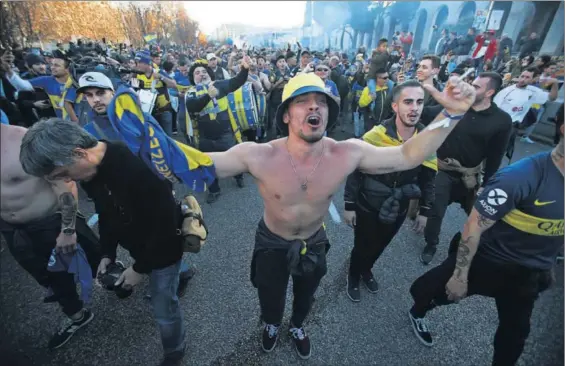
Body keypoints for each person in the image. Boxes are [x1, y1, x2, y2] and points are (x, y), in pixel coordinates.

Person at [206, 72, 476, 359]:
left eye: (320, 102)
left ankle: (297, 325)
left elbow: (407, 156)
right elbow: (204, 164)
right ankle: (272, 323)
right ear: (285, 115)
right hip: (272, 242)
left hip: (314, 242)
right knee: (270, 295)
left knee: (306, 294)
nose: (314, 107)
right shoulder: (258, 155)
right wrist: (152, 140)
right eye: (302, 101)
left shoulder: (346, 153)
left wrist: (452, 113)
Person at [19, 119, 188, 366]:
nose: (68, 181)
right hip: (141, 246)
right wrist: (107, 253)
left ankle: (175, 350)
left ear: (78, 153)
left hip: (165, 247)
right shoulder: (90, 171)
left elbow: (164, 227)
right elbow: (106, 212)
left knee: (164, 305)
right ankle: (183, 272)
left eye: (63, 174)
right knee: (165, 279)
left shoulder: (138, 162)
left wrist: (138, 270)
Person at [408, 124, 563, 366]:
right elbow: (474, 226)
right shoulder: (520, 177)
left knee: (515, 335)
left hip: (529, 274)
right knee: (439, 292)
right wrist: (460, 276)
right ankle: (418, 311)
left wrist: (551, 258)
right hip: (489, 260)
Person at [0, 123, 101, 349]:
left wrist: (68, 230)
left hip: (51, 220)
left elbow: (65, 184)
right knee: (49, 276)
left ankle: (117, 276)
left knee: (96, 258)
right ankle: (77, 315)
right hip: (14, 230)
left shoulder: (23, 141)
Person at [343, 80, 437, 302]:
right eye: (408, 102)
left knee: (382, 243)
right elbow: (356, 172)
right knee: (362, 245)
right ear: (395, 106)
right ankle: (354, 275)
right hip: (368, 203)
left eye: (419, 102)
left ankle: (367, 270)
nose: (414, 108)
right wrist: (348, 205)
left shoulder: (426, 140)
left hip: (399, 206)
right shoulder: (376, 135)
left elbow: (428, 178)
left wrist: (425, 211)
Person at [418, 72, 513, 264]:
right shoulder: (458, 106)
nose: (471, 88)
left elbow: (495, 156)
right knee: (436, 210)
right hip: (443, 170)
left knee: (479, 216)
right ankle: (431, 244)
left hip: (470, 175)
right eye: (472, 84)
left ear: (490, 92)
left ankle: (476, 249)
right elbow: (427, 112)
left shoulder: (502, 120)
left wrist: (487, 185)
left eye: (477, 87)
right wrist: (416, 98)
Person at [185, 57, 250, 203]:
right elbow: (192, 106)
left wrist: (245, 69)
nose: (201, 74)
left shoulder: (219, 84)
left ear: (209, 73)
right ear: (192, 78)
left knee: (234, 159)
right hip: (205, 137)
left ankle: (238, 176)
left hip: (225, 134)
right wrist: (208, 96)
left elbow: (237, 82)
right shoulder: (191, 92)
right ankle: (214, 190)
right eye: (197, 72)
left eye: (204, 71)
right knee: (207, 164)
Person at [2, 49, 80, 122]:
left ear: (67, 69)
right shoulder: (46, 80)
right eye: (51, 64)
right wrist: (9, 71)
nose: (52, 67)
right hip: (60, 125)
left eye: (57, 65)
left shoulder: (77, 82)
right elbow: (22, 85)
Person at [131, 51, 177, 137]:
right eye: (136, 63)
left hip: (164, 110)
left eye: (139, 63)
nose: (137, 65)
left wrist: (161, 77)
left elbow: (174, 85)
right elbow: (133, 91)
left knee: (168, 138)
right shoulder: (136, 74)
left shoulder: (159, 71)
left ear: (146, 63)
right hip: (147, 113)